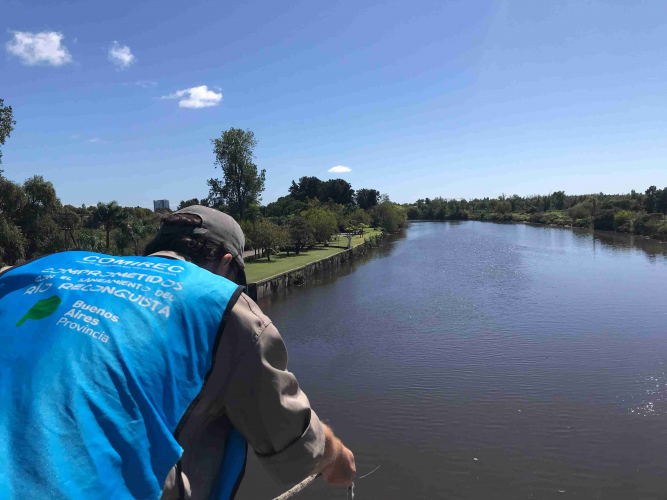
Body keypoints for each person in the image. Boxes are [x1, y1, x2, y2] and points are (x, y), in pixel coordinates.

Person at [0, 205, 355, 500]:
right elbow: (291, 436)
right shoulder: (224, 306)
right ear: (227, 263)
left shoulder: (39, 268)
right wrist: (338, 458)